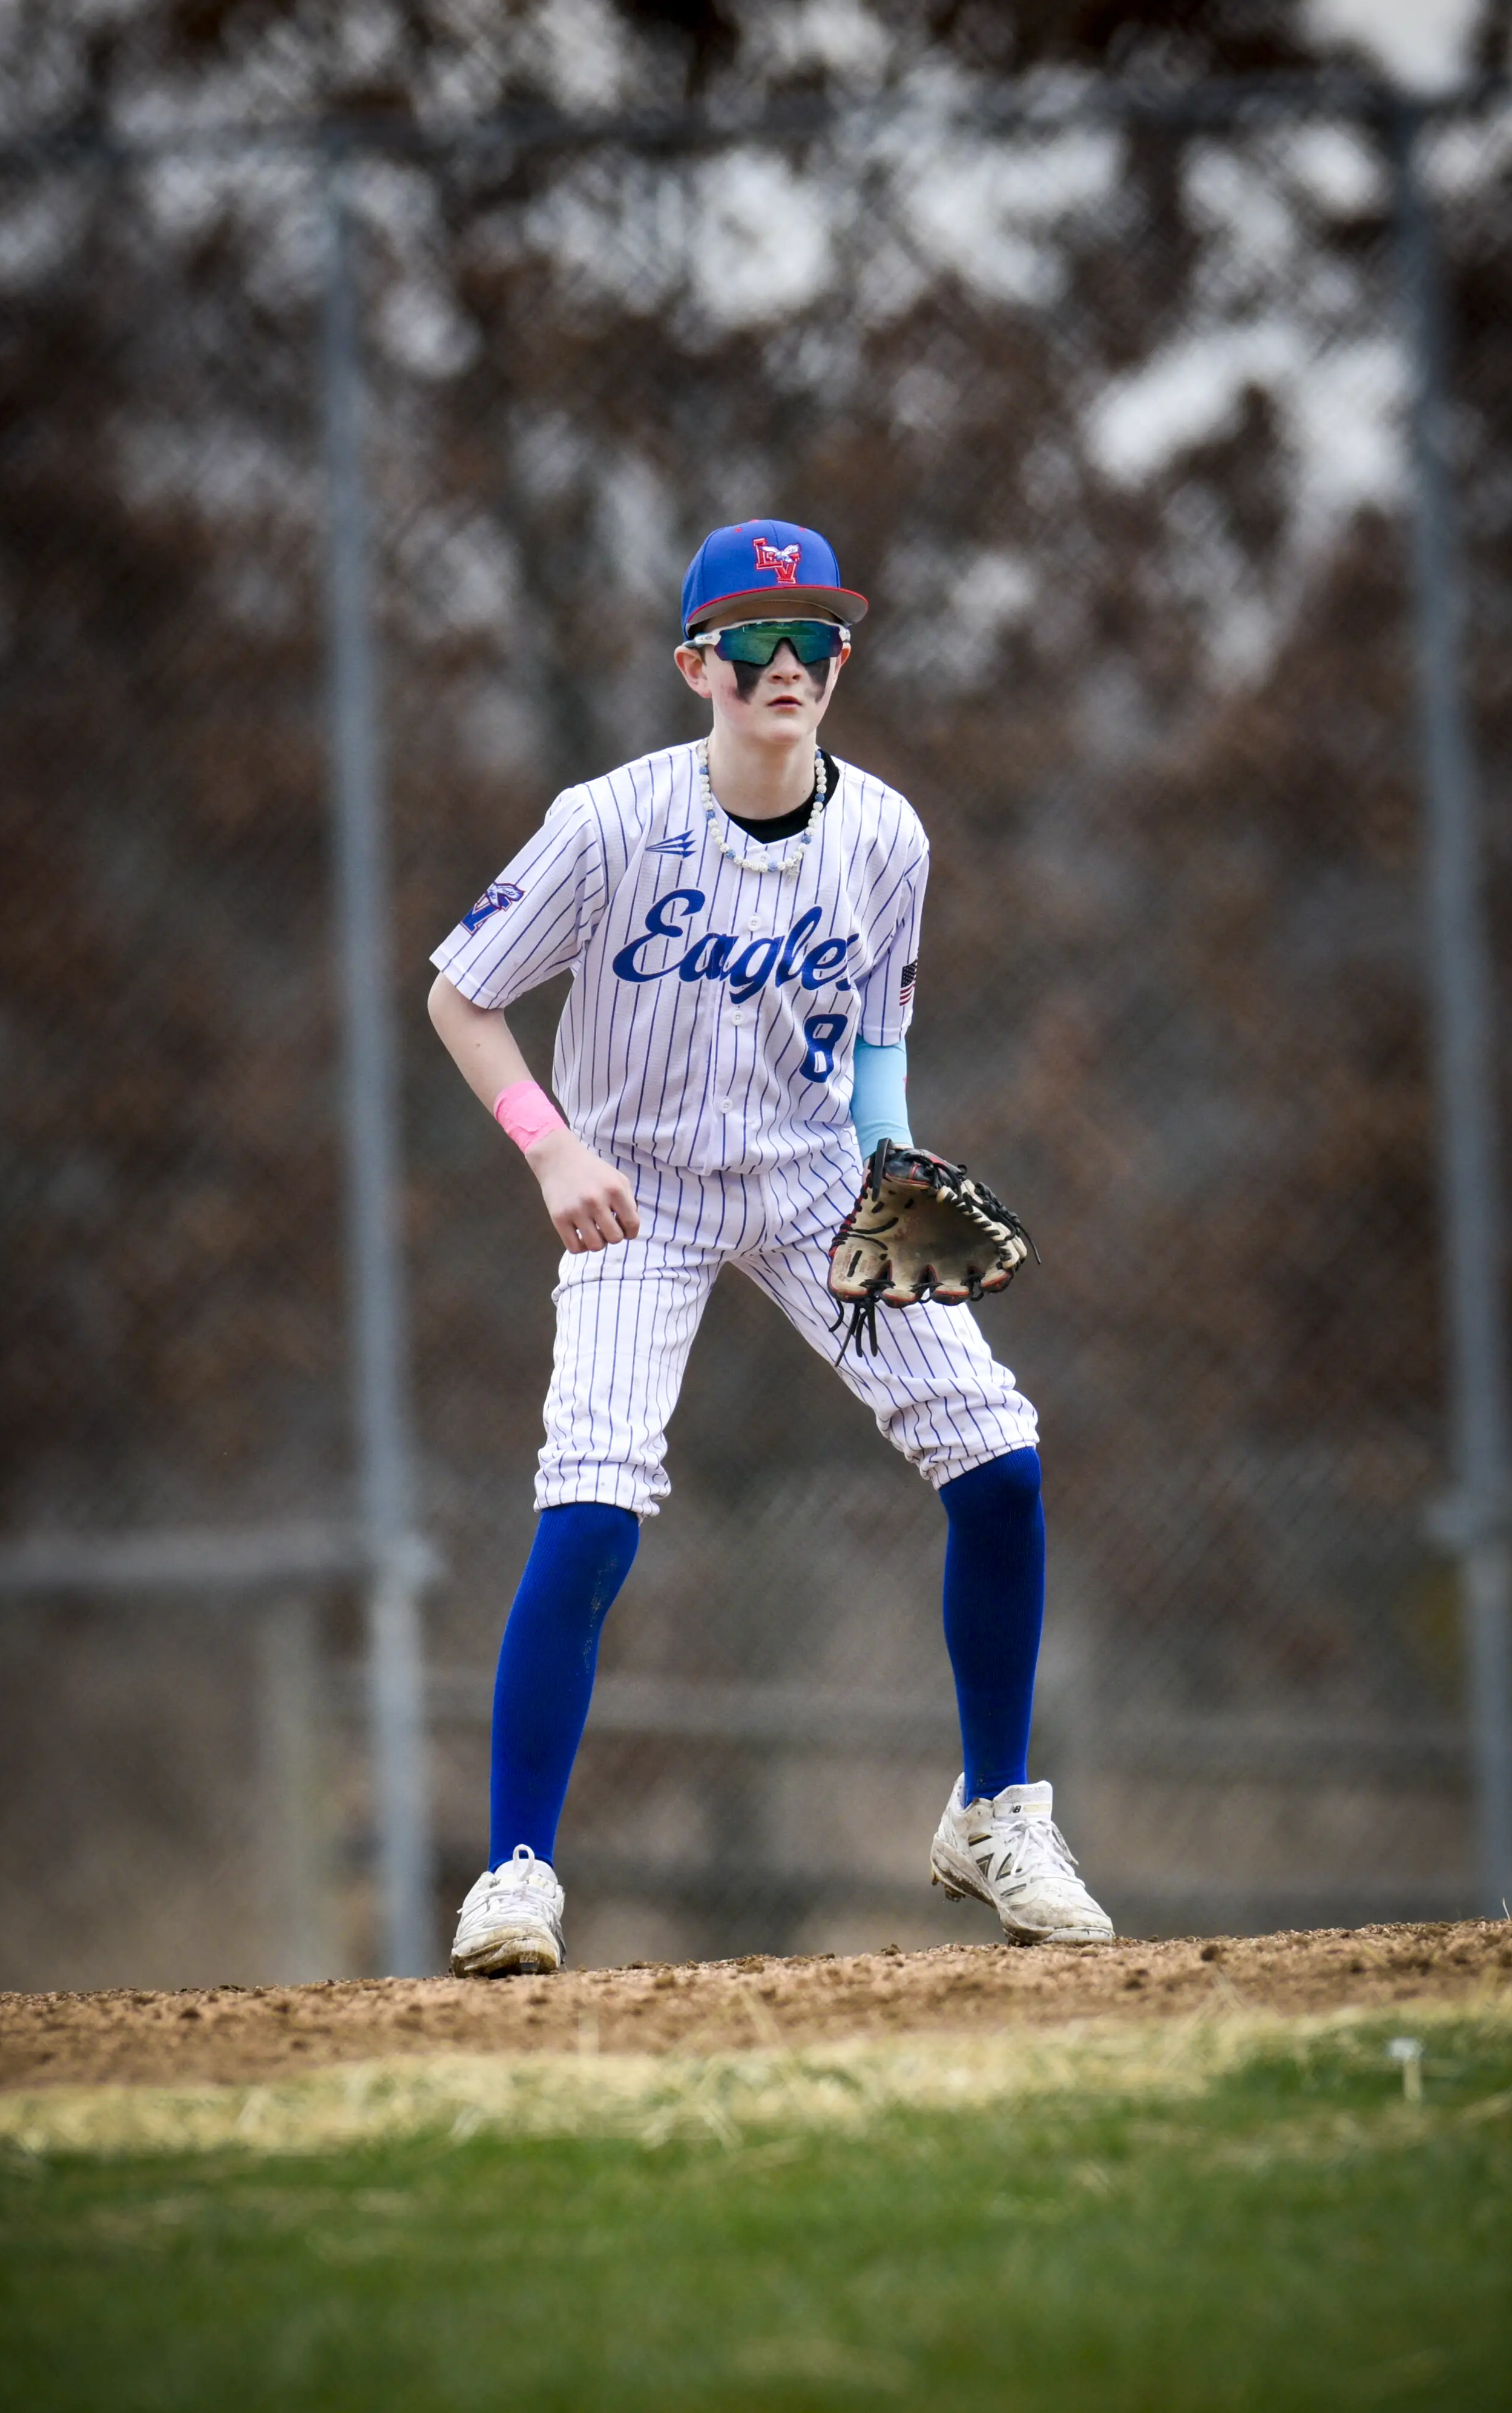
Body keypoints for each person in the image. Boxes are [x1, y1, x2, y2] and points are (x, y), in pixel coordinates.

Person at [427, 518, 1113, 1975]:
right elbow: (460, 995)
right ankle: (515, 1871)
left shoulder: (885, 835)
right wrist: (549, 1147)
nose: (788, 662)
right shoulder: (607, 823)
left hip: (810, 1179)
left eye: (815, 639)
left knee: (999, 1463)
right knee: (592, 1506)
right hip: (636, 1186)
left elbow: (878, 1036)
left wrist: (892, 1168)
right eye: (753, 640)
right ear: (697, 666)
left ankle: (993, 1810)